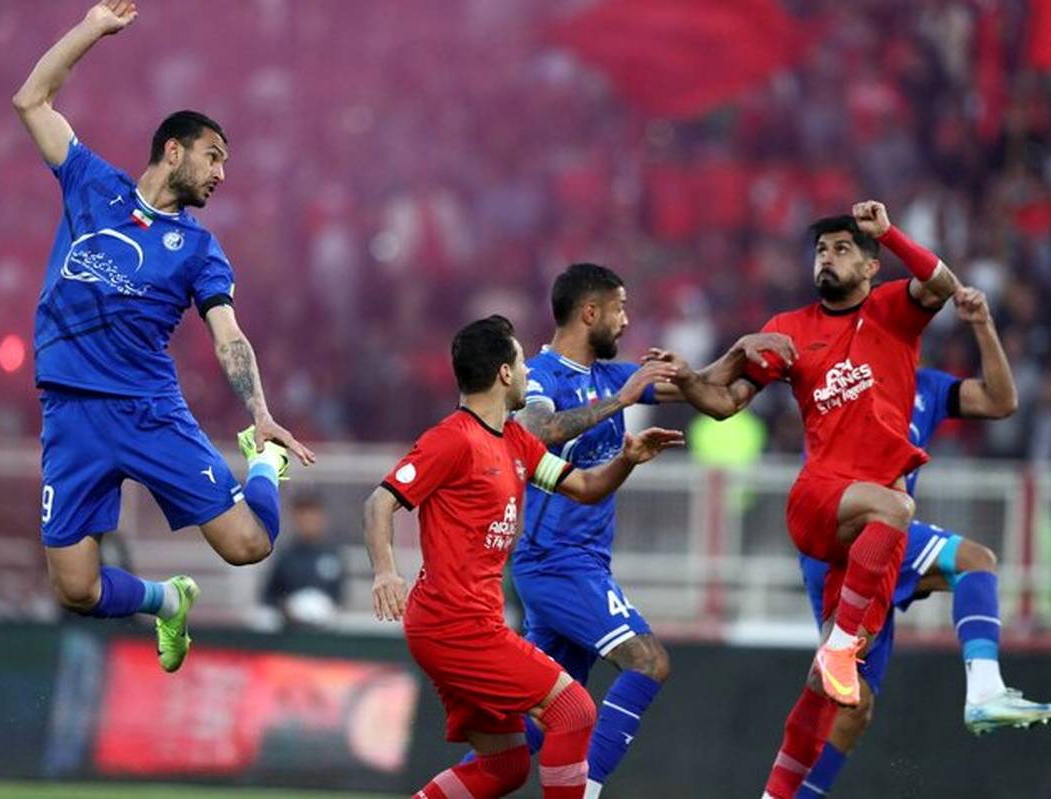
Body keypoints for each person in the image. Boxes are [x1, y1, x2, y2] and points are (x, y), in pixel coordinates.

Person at [13, 0, 314, 673]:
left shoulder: (200, 249)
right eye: (213, 156)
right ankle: (167, 599)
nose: (221, 173)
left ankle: (264, 464)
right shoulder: (92, 185)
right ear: (173, 150)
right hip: (69, 412)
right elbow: (31, 100)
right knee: (75, 589)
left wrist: (261, 414)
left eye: (225, 163)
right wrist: (92, 29)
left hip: (146, 410)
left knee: (247, 544)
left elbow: (229, 335)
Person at [653, 202, 966, 798]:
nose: (827, 257)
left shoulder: (894, 310)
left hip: (872, 534)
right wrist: (694, 377)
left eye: (842, 248)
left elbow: (943, 285)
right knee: (899, 510)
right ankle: (844, 646)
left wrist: (891, 233)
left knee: (841, 695)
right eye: (821, 250)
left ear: (871, 265)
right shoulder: (789, 328)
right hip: (821, 497)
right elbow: (725, 403)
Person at [363, 315, 684, 799]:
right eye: (521, 361)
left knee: (505, 767)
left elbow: (584, 486)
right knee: (573, 710)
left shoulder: (516, 443)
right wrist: (385, 571)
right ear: (504, 373)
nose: (530, 371)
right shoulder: (453, 439)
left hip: (467, 622)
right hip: (453, 624)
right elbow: (380, 501)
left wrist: (626, 460)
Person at [508, 262, 796, 798]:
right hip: (554, 560)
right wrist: (621, 401)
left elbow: (706, 384)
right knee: (648, 661)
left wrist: (741, 351)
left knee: (535, 724)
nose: (625, 320)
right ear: (589, 312)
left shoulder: (610, 376)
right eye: (618, 308)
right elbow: (536, 430)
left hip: (580, 562)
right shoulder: (541, 377)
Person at [794, 288, 1051, 798]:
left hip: (890, 541)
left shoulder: (925, 387)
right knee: (975, 560)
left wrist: (983, 324)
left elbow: (1001, 401)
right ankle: (984, 691)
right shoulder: (846, 377)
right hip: (846, 535)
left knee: (854, 705)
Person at [262, 493, 346, 628]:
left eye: (312, 518)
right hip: (289, 629)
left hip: (324, 628)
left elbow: (340, 594)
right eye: (304, 519)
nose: (308, 523)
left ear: (321, 519)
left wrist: (328, 608)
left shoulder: (333, 555)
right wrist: (286, 608)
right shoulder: (286, 556)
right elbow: (269, 596)